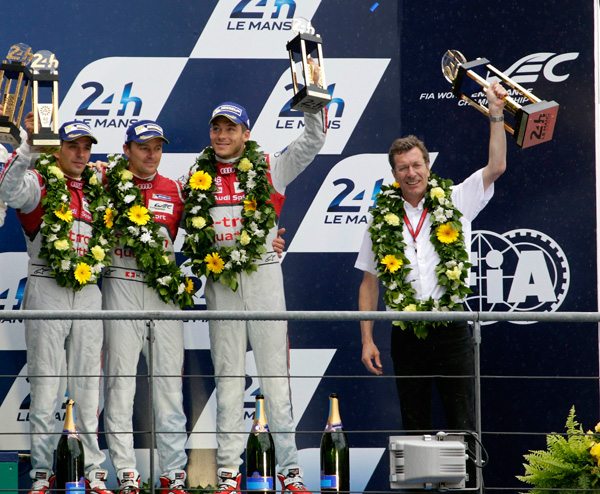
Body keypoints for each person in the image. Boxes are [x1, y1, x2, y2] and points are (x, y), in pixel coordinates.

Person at [182, 99, 327, 494]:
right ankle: (229, 473)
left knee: (276, 380)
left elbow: (313, 141)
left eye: (231, 128)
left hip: (262, 274)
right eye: (217, 128)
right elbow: (156, 202)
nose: (223, 135)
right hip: (220, 283)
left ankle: (290, 471)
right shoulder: (195, 174)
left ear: (246, 134)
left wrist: (312, 104)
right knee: (228, 380)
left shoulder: (269, 167)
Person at [355, 82, 507, 439]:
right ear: (394, 175)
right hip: (405, 335)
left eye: (416, 165)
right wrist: (367, 340)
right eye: (403, 168)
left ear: (427, 165)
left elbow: (496, 166)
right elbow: (368, 284)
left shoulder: (455, 200)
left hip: (452, 329)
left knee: (463, 424)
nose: (411, 173)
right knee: (414, 425)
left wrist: (496, 114)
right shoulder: (379, 221)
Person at [0, 116, 113, 494]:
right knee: (47, 387)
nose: (81, 154)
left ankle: (94, 472)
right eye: (72, 146)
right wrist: (29, 148)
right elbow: (9, 190)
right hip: (47, 284)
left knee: (87, 387)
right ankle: (42, 473)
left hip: (89, 291)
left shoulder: (99, 185)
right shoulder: (39, 180)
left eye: (86, 147)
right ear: (57, 149)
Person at [101, 120, 190, 494]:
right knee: (120, 386)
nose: (151, 154)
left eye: (157, 147)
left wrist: (271, 243)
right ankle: (125, 474)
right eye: (143, 147)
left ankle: (173, 474)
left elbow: (210, 236)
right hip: (120, 284)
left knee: (169, 389)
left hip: (163, 292)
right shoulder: (105, 183)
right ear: (127, 150)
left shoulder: (176, 190)